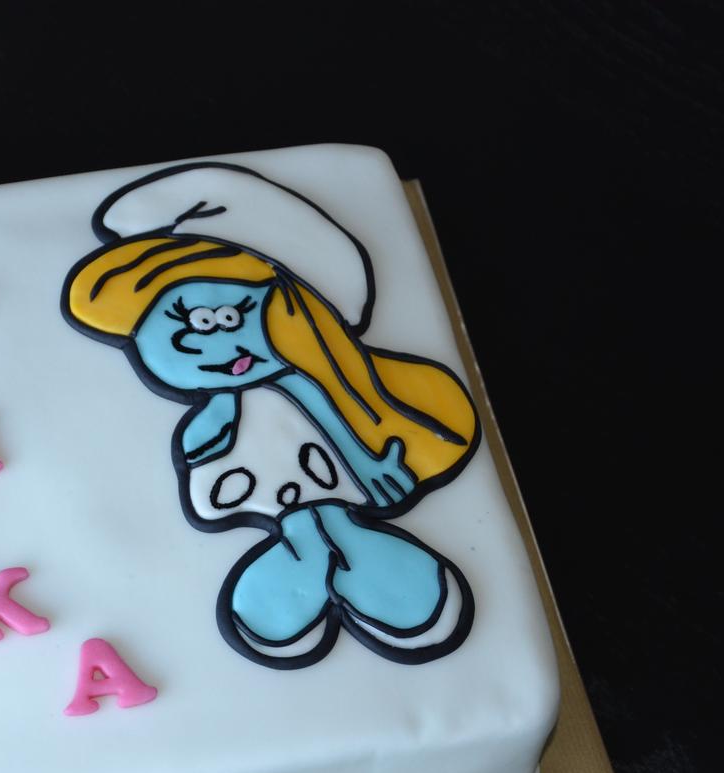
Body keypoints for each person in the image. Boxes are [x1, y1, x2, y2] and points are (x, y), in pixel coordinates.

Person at [62, 162, 480, 667]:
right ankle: (300, 570)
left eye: (229, 316)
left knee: (333, 513)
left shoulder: (313, 385)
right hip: (267, 477)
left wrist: (369, 466)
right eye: (191, 326)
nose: (215, 345)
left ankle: (385, 577)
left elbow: (335, 421)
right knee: (296, 520)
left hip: (321, 466)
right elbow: (210, 439)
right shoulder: (228, 405)